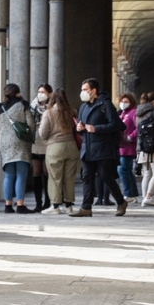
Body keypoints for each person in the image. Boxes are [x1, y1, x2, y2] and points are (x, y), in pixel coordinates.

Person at [71, 78, 127, 217]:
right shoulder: (83, 107)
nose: (82, 92)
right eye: (82, 89)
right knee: (87, 177)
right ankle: (86, 207)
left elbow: (118, 125)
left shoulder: (105, 105)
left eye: (85, 89)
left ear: (93, 90)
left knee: (105, 175)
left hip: (102, 148)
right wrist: (79, 128)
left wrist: (97, 128)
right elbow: (81, 124)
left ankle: (121, 201)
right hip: (87, 147)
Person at [0, 84, 37, 214]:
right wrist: (30, 139)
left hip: (6, 146)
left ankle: (8, 205)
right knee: (21, 175)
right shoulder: (23, 105)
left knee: (9, 175)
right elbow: (31, 125)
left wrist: (1, 143)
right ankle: (20, 205)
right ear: (18, 93)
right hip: (21, 143)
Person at [38, 88, 80, 214]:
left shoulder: (49, 113)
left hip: (55, 147)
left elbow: (43, 133)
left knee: (55, 177)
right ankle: (69, 206)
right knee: (69, 177)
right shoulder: (72, 111)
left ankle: (55, 206)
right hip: (72, 146)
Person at [29, 84, 52, 211]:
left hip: (48, 140)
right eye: (39, 91)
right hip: (35, 141)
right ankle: (38, 203)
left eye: (43, 91)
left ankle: (48, 202)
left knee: (46, 171)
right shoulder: (32, 106)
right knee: (36, 172)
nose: (40, 94)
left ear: (49, 93)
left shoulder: (53, 106)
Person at [116, 93, 140, 203]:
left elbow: (138, 127)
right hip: (121, 145)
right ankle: (132, 193)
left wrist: (131, 137)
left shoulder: (133, 113)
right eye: (122, 101)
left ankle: (128, 193)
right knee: (127, 170)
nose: (123, 104)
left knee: (122, 170)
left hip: (128, 146)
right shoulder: (122, 114)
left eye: (126, 102)